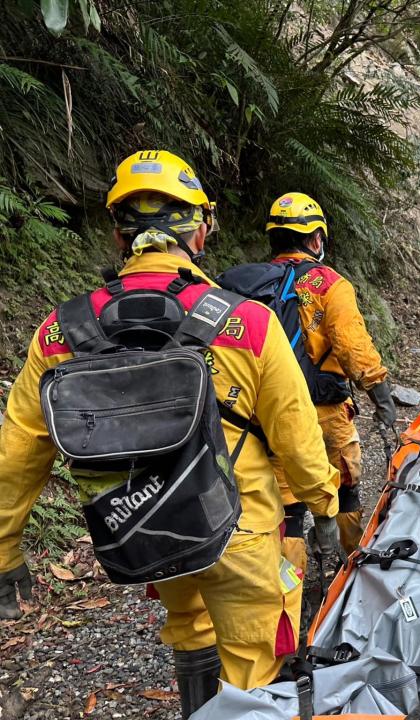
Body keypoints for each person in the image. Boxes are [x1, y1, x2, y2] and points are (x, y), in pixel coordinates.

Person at [0, 151, 344, 717]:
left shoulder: (63, 330)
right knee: (254, 656)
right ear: (200, 229)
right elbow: (297, 437)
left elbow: (19, 450)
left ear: (118, 235)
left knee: (188, 624)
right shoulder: (247, 322)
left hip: (144, 524)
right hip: (238, 523)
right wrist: (324, 506)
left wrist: (7, 546)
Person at [260, 192, 397, 557]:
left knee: (287, 502)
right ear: (316, 238)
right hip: (324, 408)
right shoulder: (327, 283)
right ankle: (349, 567)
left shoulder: (254, 286)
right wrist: (381, 398)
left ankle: (288, 587)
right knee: (345, 485)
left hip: (272, 412)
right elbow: (353, 347)